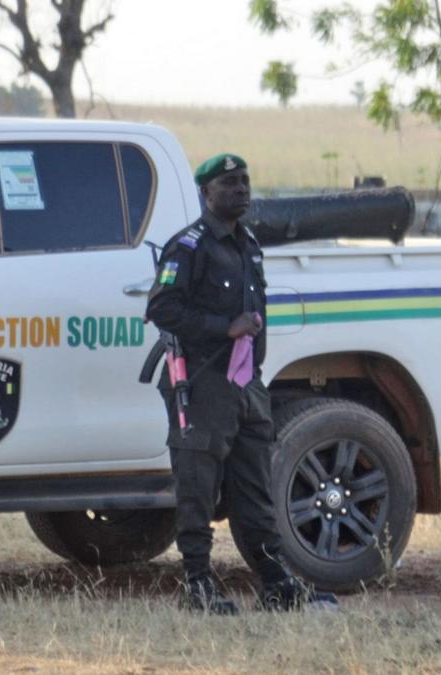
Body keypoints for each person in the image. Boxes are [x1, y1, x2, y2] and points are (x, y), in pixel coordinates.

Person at [146, 153, 338, 615]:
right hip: (203, 382)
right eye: (230, 182)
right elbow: (162, 310)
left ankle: (275, 583)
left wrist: (254, 366)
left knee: (255, 489)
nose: (242, 189)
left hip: (247, 384)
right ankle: (198, 584)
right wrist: (222, 326)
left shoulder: (248, 243)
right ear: (206, 193)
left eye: (245, 181)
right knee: (198, 486)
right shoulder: (189, 247)